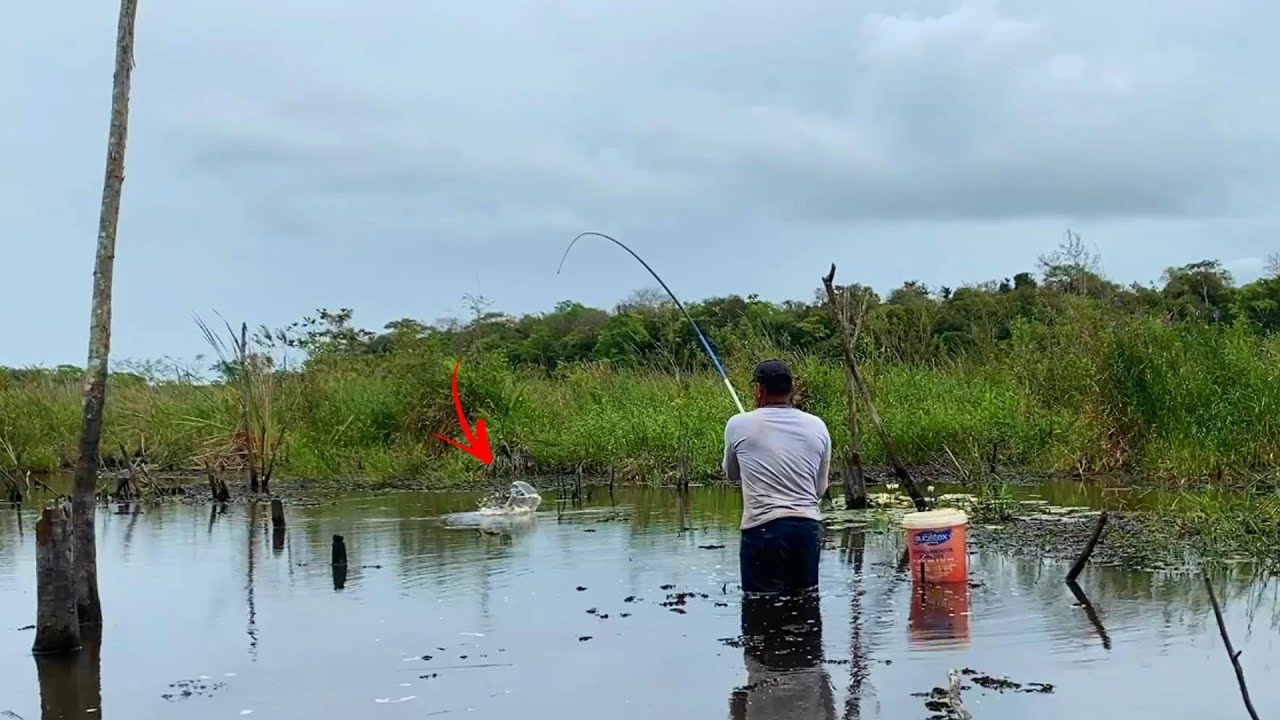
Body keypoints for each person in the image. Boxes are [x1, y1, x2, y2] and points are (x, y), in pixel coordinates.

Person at [723, 359, 832, 595]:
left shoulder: (738, 424)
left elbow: (732, 475)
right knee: (806, 608)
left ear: (759, 390)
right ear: (791, 391)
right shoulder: (818, 426)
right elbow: (820, 489)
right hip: (807, 531)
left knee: (760, 611)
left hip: (762, 531)